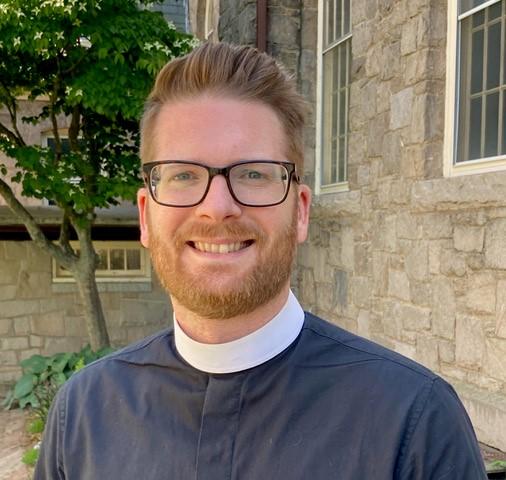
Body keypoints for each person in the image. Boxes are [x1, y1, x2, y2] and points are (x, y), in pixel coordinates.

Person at [35, 42, 487, 479]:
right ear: (146, 215)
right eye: (183, 175)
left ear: (302, 210)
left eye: (252, 174)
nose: (216, 207)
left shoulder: (413, 422)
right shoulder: (82, 415)